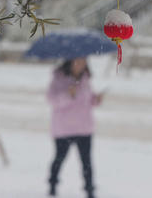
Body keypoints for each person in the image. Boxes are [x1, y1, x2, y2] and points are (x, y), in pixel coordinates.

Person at [46, 57, 102, 198]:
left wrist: (96, 99)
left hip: (84, 127)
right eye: (78, 61)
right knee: (59, 158)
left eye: (83, 61)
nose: (81, 64)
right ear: (70, 62)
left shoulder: (85, 78)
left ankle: (89, 189)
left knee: (86, 161)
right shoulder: (58, 78)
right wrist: (68, 95)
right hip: (64, 128)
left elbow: (87, 100)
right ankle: (53, 184)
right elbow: (52, 100)